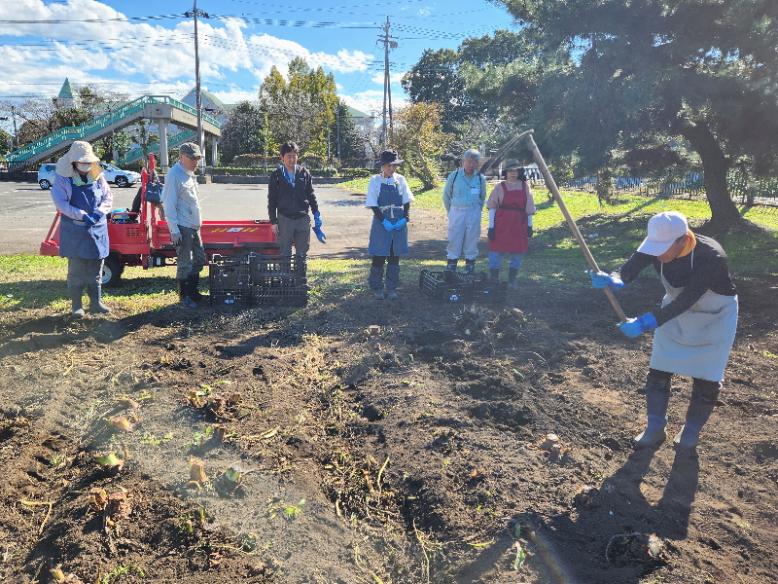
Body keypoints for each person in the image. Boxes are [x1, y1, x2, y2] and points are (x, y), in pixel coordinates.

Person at [590, 211, 738, 450]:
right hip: (674, 312)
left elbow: (687, 300)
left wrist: (644, 322)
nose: (658, 253)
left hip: (715, 315)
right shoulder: (654, 247)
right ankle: (655, 427)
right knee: (659, 369)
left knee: (707, 378)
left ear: (683, 239)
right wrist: (614, 278)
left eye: (664, 248)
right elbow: (629, 268)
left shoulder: (711, 256)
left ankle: (690, 432)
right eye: (654, 247)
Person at [50, 141, 113, 318]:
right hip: (74, 230)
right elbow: (61, 202)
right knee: (76, 269)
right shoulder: (63, 178)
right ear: (73, 162)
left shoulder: (96, 174)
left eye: (88, 163)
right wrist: (81, 214)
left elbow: (108, 197)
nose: (86, 167)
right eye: (82, 163)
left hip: (97, 228)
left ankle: (96, 303)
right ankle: (76, 306)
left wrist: (99, 212)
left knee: (96, 266)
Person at [161, 143, 206, 308]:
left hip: (193, 226)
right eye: (192, 158)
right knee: (185, 262)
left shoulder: (189, 173)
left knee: (200, 260)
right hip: (182, 226)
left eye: (197, 158)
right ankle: (184, 296)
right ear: (182, 157)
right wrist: (174, 229)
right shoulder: (174, 175)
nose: (195, 161)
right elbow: (168, 203)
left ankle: (193, 291)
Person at [365, 149, 414, 299]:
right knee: (379, 256)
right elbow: (373, 203)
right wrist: (383, 220)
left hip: (398, 222)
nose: (391, 169)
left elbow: (406, 200)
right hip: (382, 223)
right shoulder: (375, 181)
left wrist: (405, 218)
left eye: (394, 166)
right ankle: (377, 287)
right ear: (382, 166)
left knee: (394, 256)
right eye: (389, 166)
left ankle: (391, 287)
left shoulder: (401, 180)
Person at [267, 142, 324, 259]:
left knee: (302, 254)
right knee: (285, 254)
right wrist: (273, 221)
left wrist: (316, 214)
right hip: (285, 219)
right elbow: (272, 200)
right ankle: (286, 277)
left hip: (302, 219)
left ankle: (300, 277)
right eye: (289, 156)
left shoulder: (304, 173)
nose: (292, 159)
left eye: (294, 156)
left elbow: (311, 195)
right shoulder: (276, 175)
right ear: (282, 157)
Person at [485, 161, 536, 289]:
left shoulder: (525, 187)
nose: (513, 173)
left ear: (519, 172)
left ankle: (512, 281)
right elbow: (492, 208)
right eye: (510, 171)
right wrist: (491, 227)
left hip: (519, 224)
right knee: (495, 252)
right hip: (501, 224)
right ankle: (494, 279)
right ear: (505, 172)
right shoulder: (499, 187)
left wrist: (529, 226)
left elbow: (529, 208)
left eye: (515, 171)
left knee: (517, 253)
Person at [442, 149, 486, 276]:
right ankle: (451, 265)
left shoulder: (480, 178)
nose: (471, 165)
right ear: (463, 161)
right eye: (469, 161)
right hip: (456, 211)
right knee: (454, 238)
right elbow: (446, 196)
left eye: (475, 162)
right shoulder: (454, 176)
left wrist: (476, 211)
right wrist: (451, 212)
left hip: (473, 212)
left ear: (478, 164)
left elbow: (482, 197)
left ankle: (470, 265)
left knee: (472, 239)